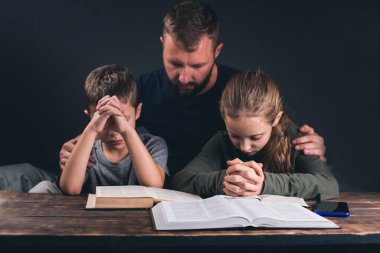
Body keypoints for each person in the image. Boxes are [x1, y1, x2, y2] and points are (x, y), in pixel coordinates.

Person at [0, 0, 326, 192]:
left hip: (199, 190)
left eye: (196, 65)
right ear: (162, 45)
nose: (184, 76)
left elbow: (275, 124)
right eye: (174, 63)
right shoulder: (142, 87)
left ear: (217, 51)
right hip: (150, 188)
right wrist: (78, 144)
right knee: (22, 177)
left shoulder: (238, 90)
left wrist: (309, 145)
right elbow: (111, 119)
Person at [171, 70, 339, 200]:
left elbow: (328, 184)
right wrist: (227, 180)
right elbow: (181, 181)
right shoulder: (221, 141)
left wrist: (265, 183)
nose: (244, 147)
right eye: (235, 136)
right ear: (224, 119)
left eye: (255, 137)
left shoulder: (296, 141)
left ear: (276, 119)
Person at [29, 64, 168, 194]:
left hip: (137, 215)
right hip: (90, 216)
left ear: (138, 112)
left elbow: (154, 185)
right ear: (90, 117)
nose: (114, 132)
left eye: (123, 119)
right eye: (106, 121)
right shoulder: (87, 148)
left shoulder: (153, 145)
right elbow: (70, 188)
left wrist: (126, 131)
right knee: (43, 187)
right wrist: (91, 130)